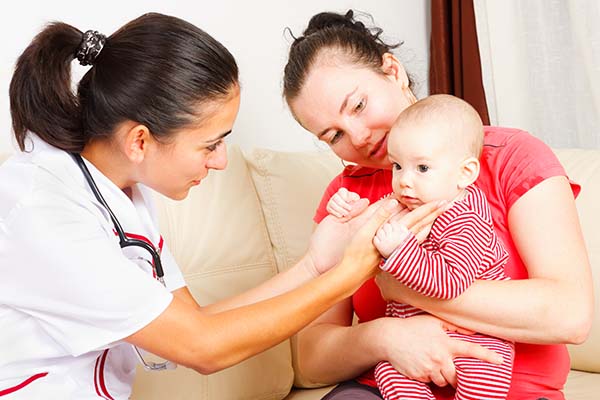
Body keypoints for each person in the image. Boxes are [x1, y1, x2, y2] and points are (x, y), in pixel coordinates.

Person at [0, 13, 453, 399]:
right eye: (210, 145)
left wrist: (314, 266)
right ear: (140, 141)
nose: (220, 162)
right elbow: (202, 348)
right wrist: (349, 273)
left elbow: (192, 323)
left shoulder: (124, 195)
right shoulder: (42, 208)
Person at [282, 9, 593, 400]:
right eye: (334, 135)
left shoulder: (512, 157)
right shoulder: (346, 198)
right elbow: (312, 358)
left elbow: (570, 314)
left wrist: (402, 286)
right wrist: (386, 337)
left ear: (392, 71)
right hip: (385, 391)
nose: (358, 137)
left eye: (358, 106)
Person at [326, 94, 514, 400]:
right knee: (387, 371)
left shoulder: (468, 219)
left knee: (485, 373)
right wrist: (350, 211)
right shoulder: (409, 203)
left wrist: (401, 251)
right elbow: (367, 230)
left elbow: (450, 283)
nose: (404, 182)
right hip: (410, 336)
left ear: (465, 173)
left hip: (477, 336)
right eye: (398, 166)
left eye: (422, 168)